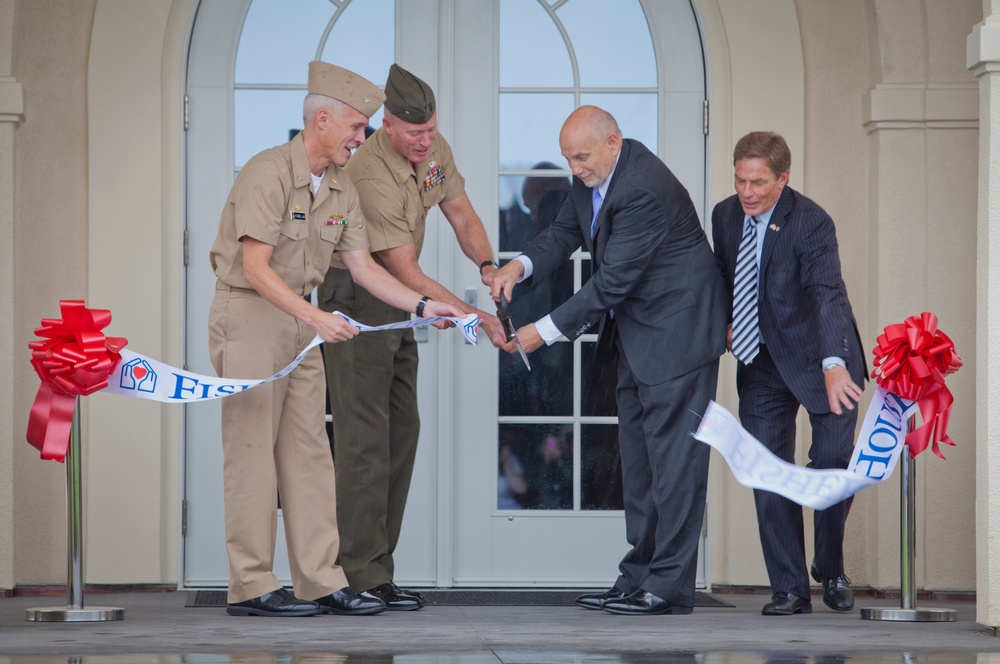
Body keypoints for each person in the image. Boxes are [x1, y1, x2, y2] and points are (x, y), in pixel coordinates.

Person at [208, 60, 463, 618]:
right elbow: (254, 268)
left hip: (301, 320)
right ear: (321, 120)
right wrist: (317, 318)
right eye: (354, 127)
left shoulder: (341, 185)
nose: (362, 137)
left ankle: (321, 580)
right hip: (253, 314)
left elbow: (365, 269)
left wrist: (424, 307)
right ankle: (251, 585)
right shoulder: (268, 171)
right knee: (253, 453)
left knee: (309, 455)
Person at [488, 105, 728, 615]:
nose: (574, 168)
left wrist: (541, 333)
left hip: (679, 337)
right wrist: (519, 265)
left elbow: (613, 281)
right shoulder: (591, 176)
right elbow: (563, 234)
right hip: (638, 337)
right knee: (638, 467)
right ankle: (637, 576)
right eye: (567, 159)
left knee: (675, 468)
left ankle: (667, 587)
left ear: (613, 142)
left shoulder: (642, 187)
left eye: (581, 157)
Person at [317, 63, 509, 611]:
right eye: (415, 133)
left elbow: (460, 210)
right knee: (363, 437)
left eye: (432, 130)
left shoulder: (431, 145)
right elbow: (400, 266)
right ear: (386, 124)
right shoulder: (371, 173)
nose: (427, 142)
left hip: (400, 302)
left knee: (403, 427)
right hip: (358, 295)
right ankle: (356, 576)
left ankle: (379, 571)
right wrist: (473, 316)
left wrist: (489, 266)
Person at [711, 131, 866, 616]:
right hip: (761, 361)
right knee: (768, 471)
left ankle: (831, 564)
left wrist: (835, 365)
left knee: (834, 458)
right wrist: (727, 324)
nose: (748, 192)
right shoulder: (725, 215)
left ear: (783, 178)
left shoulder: (812, 222)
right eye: (740, 180)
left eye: (758, 182)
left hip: (821, 357)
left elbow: (827, 294)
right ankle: (790, 588)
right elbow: (720, 276)